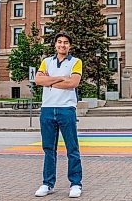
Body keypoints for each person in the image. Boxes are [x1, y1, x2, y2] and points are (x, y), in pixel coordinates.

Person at [34, 32, 83, 198]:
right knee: (49, 149)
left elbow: (73, 83)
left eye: (66, 42)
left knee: (72, 149)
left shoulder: (76, 62)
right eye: (59, 42)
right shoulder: (46, 62)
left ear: (70, 46)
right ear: (55, 44)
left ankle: (76, 183)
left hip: (66, 109)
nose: (62, 45)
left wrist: (50, 81)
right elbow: (38, 81)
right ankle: (48, 184)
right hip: (47, 109)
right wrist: (62, 78)